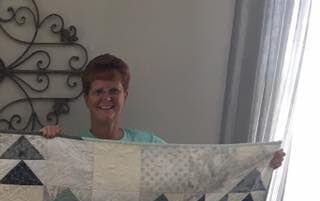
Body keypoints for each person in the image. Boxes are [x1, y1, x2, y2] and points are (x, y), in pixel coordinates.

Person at [41, 52, 285, 169]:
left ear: (125, 95)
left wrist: (258, 162)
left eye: (114, 91)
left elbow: (195, 168)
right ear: (86, 99)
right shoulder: (72, 147)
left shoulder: (147, 143)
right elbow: (44, 181)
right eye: (98, 92)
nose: (107, 99)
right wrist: (44, 143)